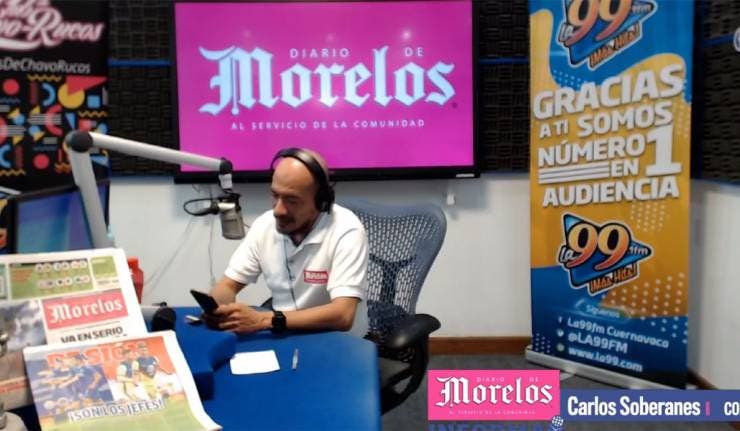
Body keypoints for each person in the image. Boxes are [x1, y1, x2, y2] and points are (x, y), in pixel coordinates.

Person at [206, 148, 369, 337]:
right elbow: (227, 286)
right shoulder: (264, 225)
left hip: (338, 341)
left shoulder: (347, 230)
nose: (278, 210)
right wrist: (219, 309)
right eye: (275, 195)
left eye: (292, 201)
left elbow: (343, 315)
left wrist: (263, 320)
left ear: (321, 201)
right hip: (283, 332)